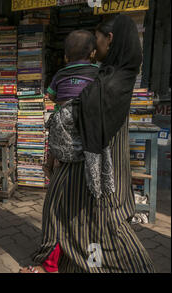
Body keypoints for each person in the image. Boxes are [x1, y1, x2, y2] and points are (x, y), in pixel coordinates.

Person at [21, 14, 155, 273]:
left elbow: (76, 119)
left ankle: (124, 266)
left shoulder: (111, 81)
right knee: (83, 219)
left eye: (100, 39)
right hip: (99, 161)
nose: (97, 47)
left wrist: (61, 125)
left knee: (90, 219)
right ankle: (78, 264)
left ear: (111, 39)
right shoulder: (112, 75)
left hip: (92, 165)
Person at [43, 30, 100, 178]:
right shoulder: (97, 72)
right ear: (93, 54)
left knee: (54, 131)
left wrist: (62, 103)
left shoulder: (60, 74)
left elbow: (49, 94)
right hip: (86, 122)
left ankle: (50, 164)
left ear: (66, 57)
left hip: (62, 123)